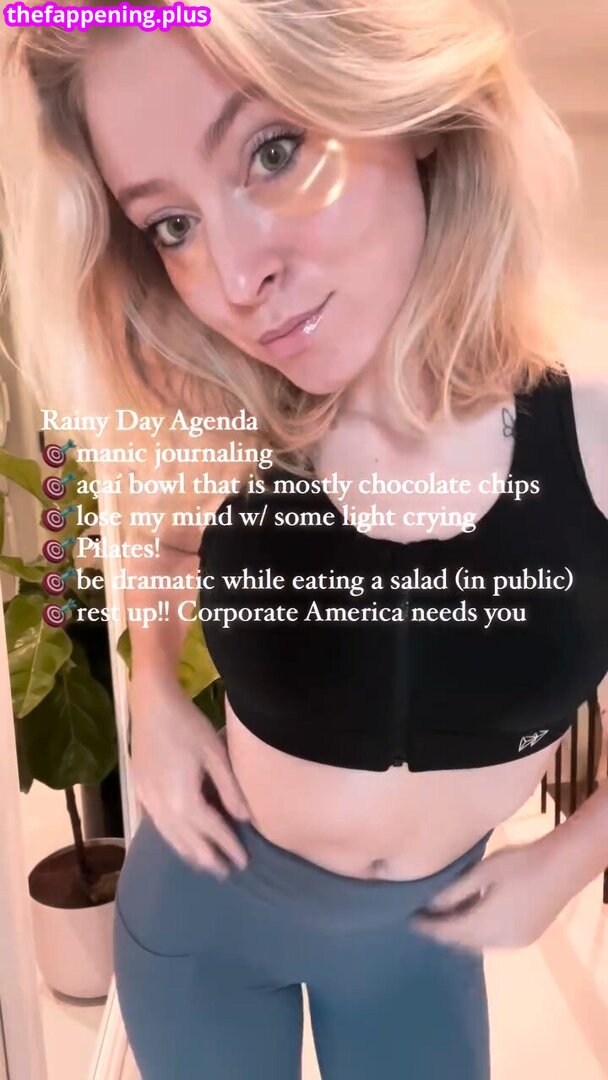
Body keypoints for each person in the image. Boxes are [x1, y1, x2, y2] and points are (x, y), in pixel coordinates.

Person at [1, 2, 608, 1077]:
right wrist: (152, 692)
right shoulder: (224, 423)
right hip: (205, 921)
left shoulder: (591, 428)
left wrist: (574, 855)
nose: (234, 281)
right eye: (170, 225)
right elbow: (161, 544)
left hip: (420, 948)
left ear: (410, 112)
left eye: (273, 151)